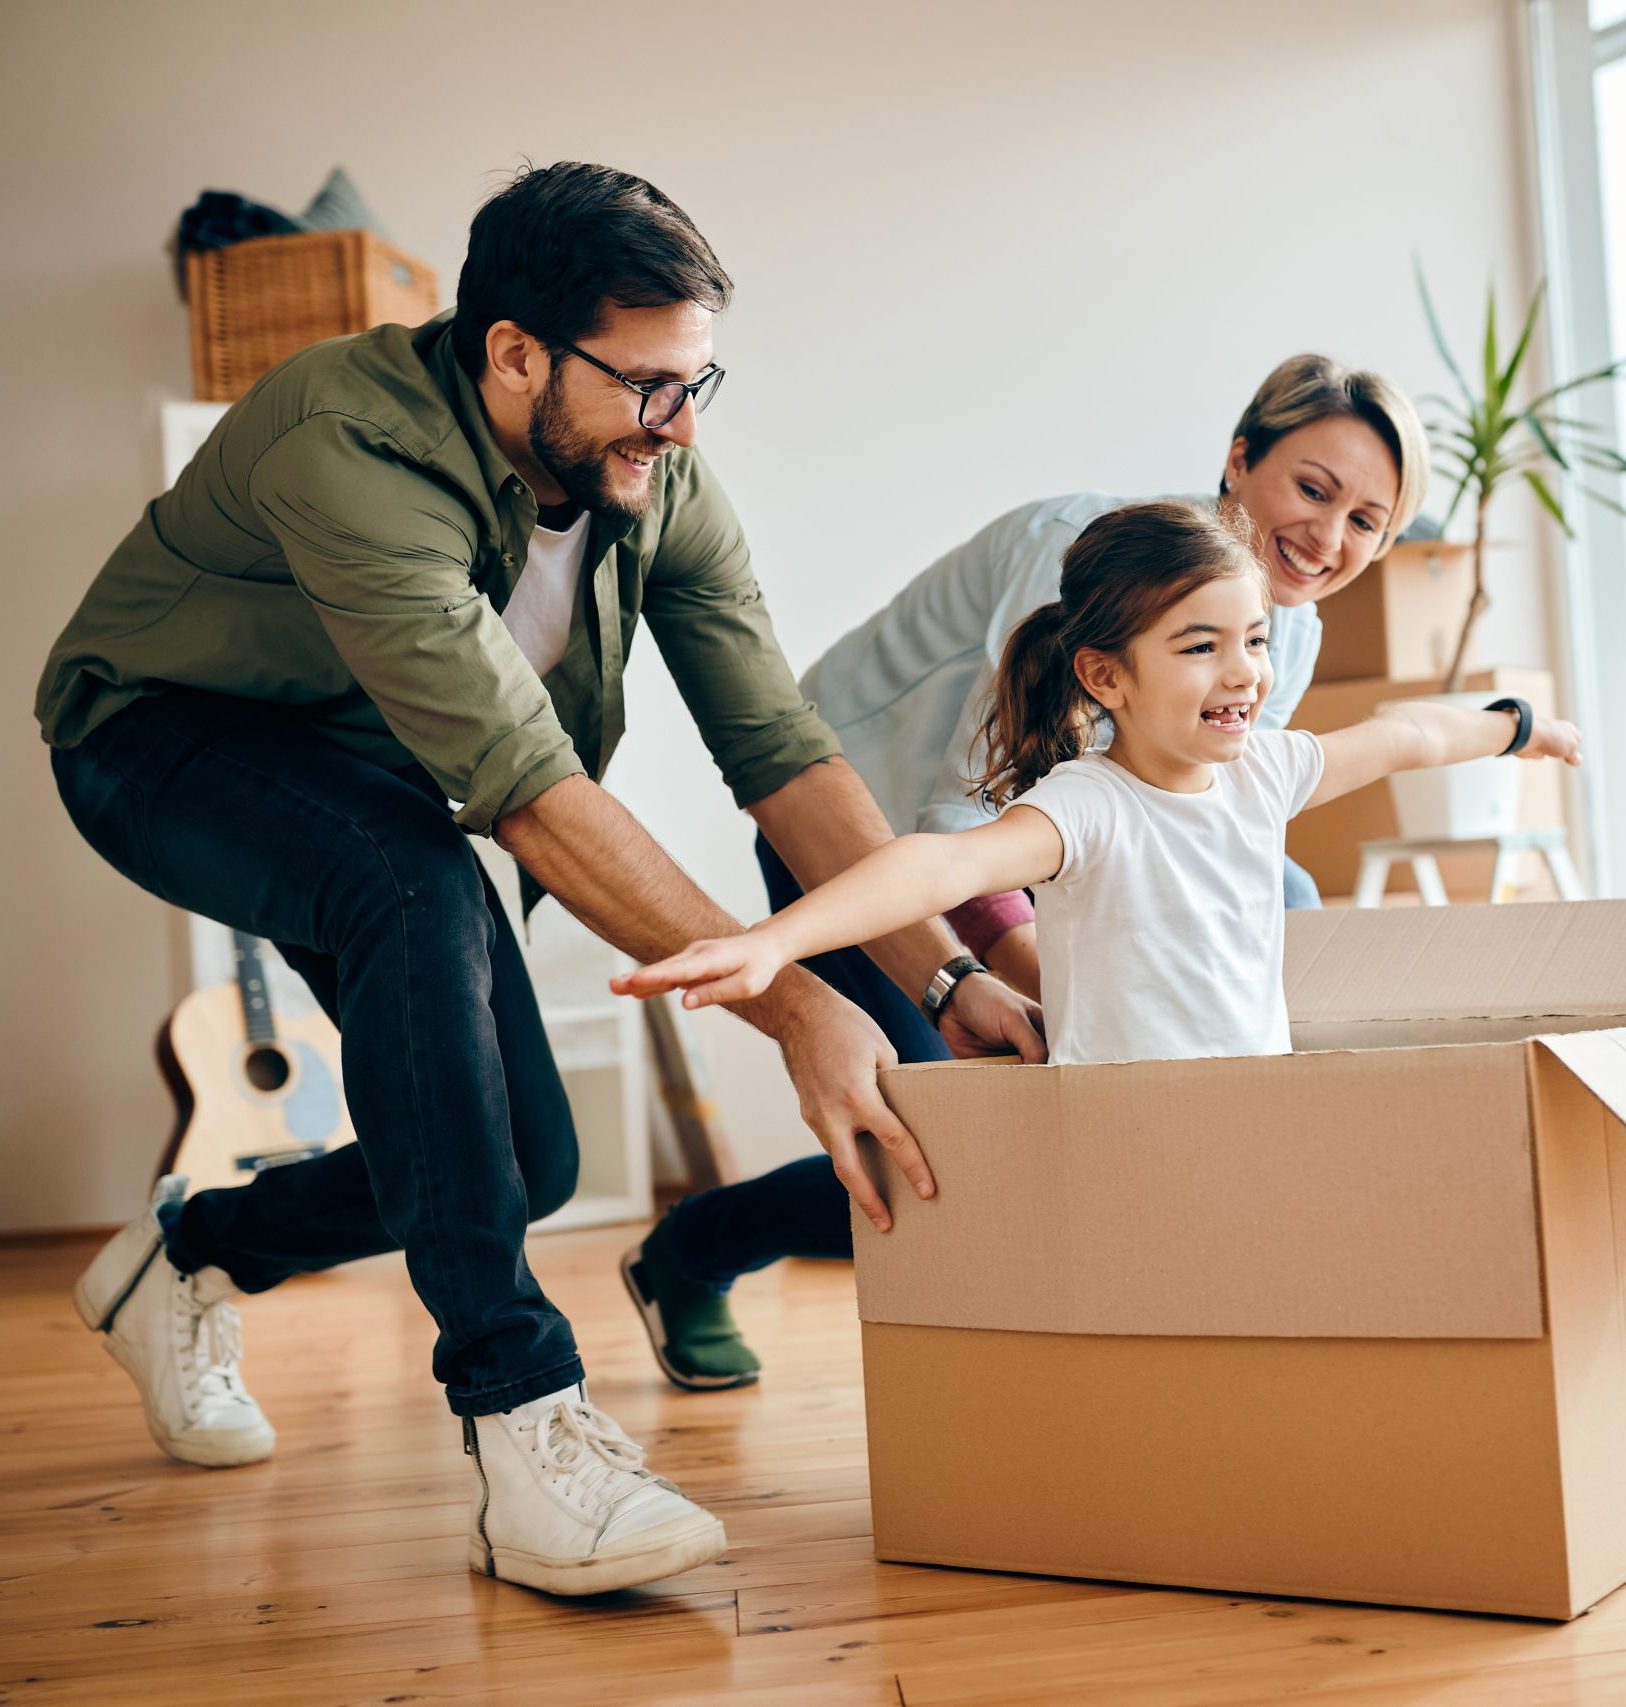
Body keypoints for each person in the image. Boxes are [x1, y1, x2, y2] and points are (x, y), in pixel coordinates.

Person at [36, 161, 1042, 1599]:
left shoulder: (653, 474)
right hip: (155, 735)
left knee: (525, 1163)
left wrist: (944, 971)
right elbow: (524, 793)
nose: (681, 424)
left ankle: (189, 1253)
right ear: (513, 352)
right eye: (648, 384)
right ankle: (525, 1433)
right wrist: (794, 1004)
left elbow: (782, 751)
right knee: (411, 875)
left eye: (700, 383)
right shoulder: (346, 440)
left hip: (372, 777)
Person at [620, 354, 1430, 1390]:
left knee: (1290, 907)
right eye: (1313, 490)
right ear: (1239, 460)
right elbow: (973, 806)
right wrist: (1038, 974)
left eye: (1367, 521)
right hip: (862, 832)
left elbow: (1213, 819)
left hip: (1030, 849)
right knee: (937, 1151)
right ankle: (693, 1250)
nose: (1328, 540)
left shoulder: (1288, 623)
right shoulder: (1079, 559)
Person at [615, 502, 1581, 1078]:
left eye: (1253, 640)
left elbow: (1404, 735)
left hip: (1252, 1108)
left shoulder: (1264, 773)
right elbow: (938, 864)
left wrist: (1517, 728)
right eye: (1200, 648)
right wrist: (773, 941)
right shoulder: (1088, 806)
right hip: (1121, 1126)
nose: (1243, 671)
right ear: (1106, 677)